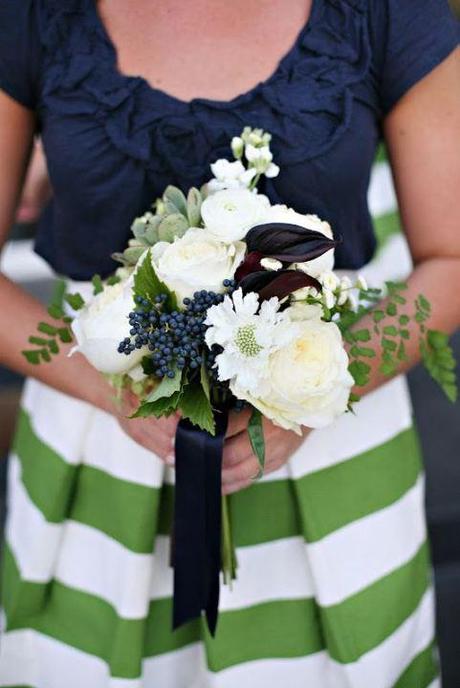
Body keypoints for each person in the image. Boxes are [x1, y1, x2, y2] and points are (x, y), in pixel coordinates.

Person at [0, 1, 459, 686]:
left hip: (330, 451)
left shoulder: (389, 12)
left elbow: (450, 257)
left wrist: (319, 389)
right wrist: (113, 391)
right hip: (92, 460)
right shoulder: (31, 14)